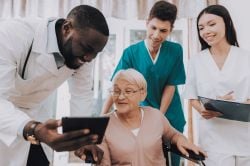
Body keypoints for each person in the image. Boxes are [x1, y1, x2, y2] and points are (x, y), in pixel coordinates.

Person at [0, 5, 109, 166]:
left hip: (35, 114)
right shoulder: (12, 35)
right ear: (66, 28)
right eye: (87, 49)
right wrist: (33, 129)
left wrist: (82, 138)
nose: (89, 58)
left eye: (96, 54)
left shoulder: (83, 55)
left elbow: (81, 95)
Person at [101, 1, 186, 165]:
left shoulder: (175, 51)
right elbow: (117, 87)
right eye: (153, 28)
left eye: (163, 31)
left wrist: (159, 117)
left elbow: (171, 85)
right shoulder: (131, 53)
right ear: (147, 23)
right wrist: (101, 118)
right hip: (141, 118)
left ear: (170, 30)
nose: (156, 35)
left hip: (170, 116)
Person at [75, 68, 206, 165]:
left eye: (128, 91)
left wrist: (181, 140)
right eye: (116, 91)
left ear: (142, 94)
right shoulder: (102, 125)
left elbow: (172, 135)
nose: (120, 97)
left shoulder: (155, 116)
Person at [184, 5, 250, 166]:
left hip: (245, 137)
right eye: (201, 27)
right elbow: (192, 97)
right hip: (214, 140)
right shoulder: (196, 61)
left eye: (211, 24)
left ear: (226, 23)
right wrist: (204, 111)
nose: (206, 31)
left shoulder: (246, 57)